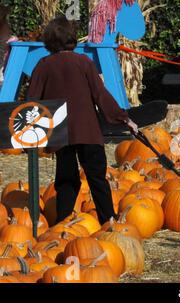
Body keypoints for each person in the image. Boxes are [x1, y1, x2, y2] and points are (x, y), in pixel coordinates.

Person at [27, 16, 138, 225]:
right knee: (97, 178)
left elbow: (32, 101)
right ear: (71, 38)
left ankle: (62, 223)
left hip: (61, 132)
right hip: (88, 131)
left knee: (66, 180)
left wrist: (31, 133)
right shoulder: (84, 63)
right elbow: (100, 95)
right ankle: (109, 221)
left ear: (49, 40)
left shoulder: (44, 65)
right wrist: (124, 119)